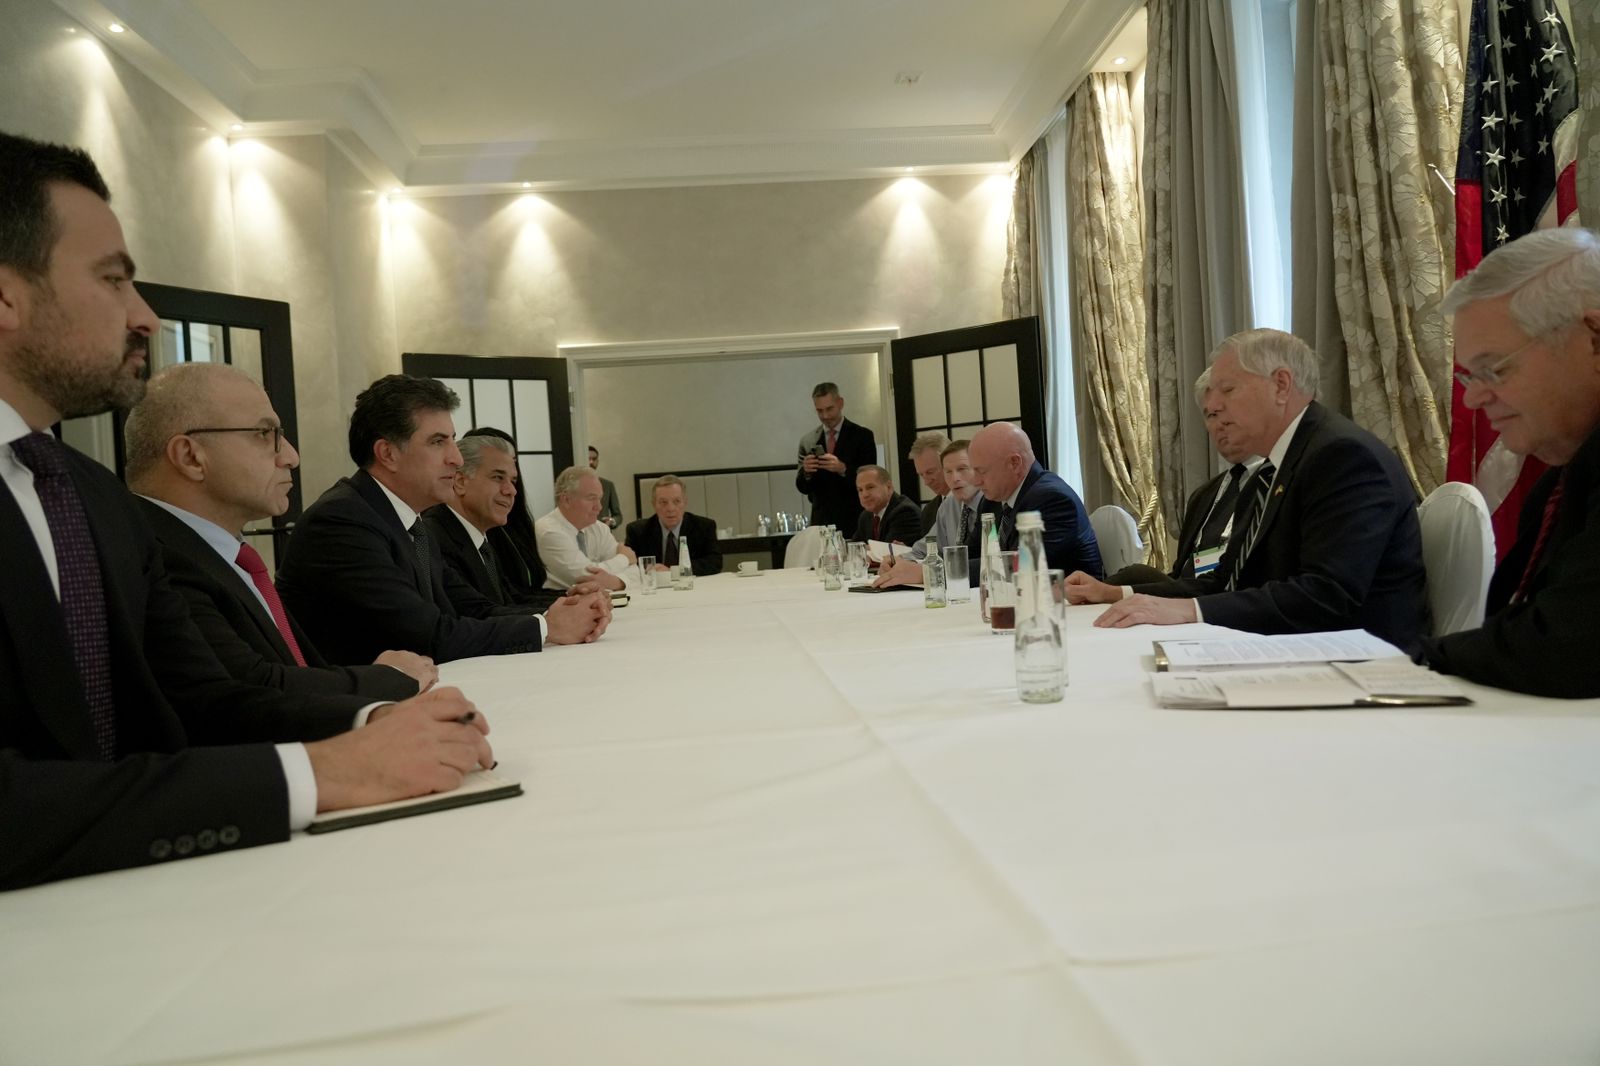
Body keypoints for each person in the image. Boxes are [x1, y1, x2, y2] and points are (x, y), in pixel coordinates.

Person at [0, 131, 491, 890]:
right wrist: (324, 774)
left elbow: (208, 701)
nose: (145, 319)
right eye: (111, 280)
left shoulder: (89, 495)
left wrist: (375, 727)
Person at [1071, 328, 1426, 649]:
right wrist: (1128, 596)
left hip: (1358, 662)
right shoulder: (1270, 473)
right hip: (1292, 647)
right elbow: (1225, 580)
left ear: (1281, 385)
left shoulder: (1342, 456)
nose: (1214, 406)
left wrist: (1187, 611)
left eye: (1228, 389)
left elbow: (1325, 597)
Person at [125, 363, 433, 700]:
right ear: (191, 457)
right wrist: (386, 679)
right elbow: (250, 689)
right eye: (264, 434)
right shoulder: (151, 557)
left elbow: (291, 672)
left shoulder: (224, 555)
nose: (291, 456)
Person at [277, 375, 606, 664]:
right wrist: (547, 628)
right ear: (388, 453)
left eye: (452, 439)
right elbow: (427, 636)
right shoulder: (341, 522)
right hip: (362, 715)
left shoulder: (410, 521)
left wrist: (570, 606)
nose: (456, 458)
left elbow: (473, 608)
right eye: (438, 442)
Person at [1415, 227, 1600, 696]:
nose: (1474, 397)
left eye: (1493, 369)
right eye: (1468, 375)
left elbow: (1565, 646)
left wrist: (1411, 660)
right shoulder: (1559, 480)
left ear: (1594, 340)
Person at [1106, 368, 1261, 585]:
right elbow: (1182, 574)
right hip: (1186, 603)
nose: (1220, 424)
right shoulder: (1204, 495)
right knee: (1132, 576)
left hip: (1231, 606)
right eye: (1211, 415)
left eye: (1228, 412)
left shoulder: (1274, 484)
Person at [422, 433, 564, 611]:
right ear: (460, 481)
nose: (511, 490)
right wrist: (557, 619)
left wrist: (571, 600)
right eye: (498, 477)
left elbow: (511, 600)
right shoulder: (433, 537)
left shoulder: (481, 540)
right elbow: (475, 614)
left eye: (513, 481)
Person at [967, 422, 1102, 581]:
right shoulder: (992, 500)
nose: (975, 481)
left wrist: (955, 572)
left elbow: (1021, 569)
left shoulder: (1052, 500)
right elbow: (973, 553)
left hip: (1072, 602)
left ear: (1015, 464)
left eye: (981, 471)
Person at [872, 438, 987, 587]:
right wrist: (898, 561)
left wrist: (925, 573)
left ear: (978, 469)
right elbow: (926, 549)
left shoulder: (994, 502)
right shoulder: (948, 506)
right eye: (948, 472)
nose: (955, 478)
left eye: (962, 469)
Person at [536, 465, 638, 590]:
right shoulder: (548, 531)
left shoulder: (600, 528)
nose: (599, 507)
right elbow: (583, 577)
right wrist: (624, 558)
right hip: (558, 603)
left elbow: (635, 572)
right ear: (566, 500)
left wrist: (617, 582)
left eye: (600, 499)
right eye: (591, 498)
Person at [795, 382, 876, 531]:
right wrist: (806, 472)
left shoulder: (862, 436)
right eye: (819, 411)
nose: (825, 416)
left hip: (855, 517)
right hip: (821, 521)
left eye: (829, 409)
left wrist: (843, 468)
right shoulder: (808, 441)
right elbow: (802, 487)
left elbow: (871, 479)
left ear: (840, 403)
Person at [624, 474, 722, 575]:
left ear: (685, 502)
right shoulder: (637, 531)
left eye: (677, 501)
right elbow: (628, 566)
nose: (670, 508)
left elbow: (714, 563)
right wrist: (648, 570)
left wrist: (674, 570)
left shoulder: (704, 526)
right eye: (663, 502)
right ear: (654, 505)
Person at [851, 464, 922, 545]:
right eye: (860, 490)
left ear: (889, 487)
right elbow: (855, 549)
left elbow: (888, 552)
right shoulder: (866, 516)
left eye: (870, 487)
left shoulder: (906, 512)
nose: (865, 495)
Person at [908, 431, 951, 537]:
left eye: (930, 472)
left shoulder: (974, 501)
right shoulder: (929, 511)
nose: (926, 482)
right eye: (922, 475)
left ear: (949, 462)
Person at [587, 445, 622, 528]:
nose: (591, 462)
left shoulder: (607, 485)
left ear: (598, 461)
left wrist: (612, 521)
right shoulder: (573, 485)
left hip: (603, 533)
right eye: (588, 459)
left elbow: (618, 515)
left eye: (594, 459)